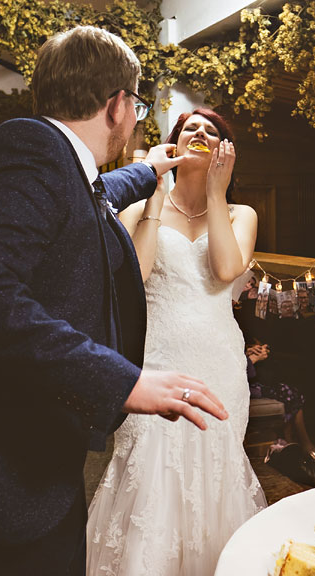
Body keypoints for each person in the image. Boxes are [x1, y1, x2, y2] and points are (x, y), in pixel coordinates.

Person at [0, 26, 228, 575]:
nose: (135, 118)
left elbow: (93, 198)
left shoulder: (60, 166)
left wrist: (149, 171)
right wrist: (124, 381)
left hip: (23, 483)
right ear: (117, 105)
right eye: (136, 105)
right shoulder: (29, 147)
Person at [86, 108, 266, 575]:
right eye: (191, 129)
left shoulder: (240, 213)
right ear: (172, 145)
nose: (201, 134)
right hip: (155, 358)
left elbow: (226, 270)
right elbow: (137, 275)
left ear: (225, 152)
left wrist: (215, 192)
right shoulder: (140, 208)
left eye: (213, 131)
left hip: (219, 361)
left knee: (214, 475)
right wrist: (153, 198)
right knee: (150, 474)